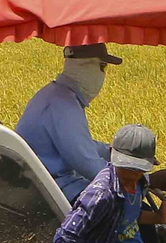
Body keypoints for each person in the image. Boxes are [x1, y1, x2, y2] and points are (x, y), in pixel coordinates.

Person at [16, 43, 122, 201]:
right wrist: (142, 179)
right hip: (52, 193)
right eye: (102, 66)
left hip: (45, 184)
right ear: (85, 66)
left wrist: (112, 152)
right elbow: (90, 166)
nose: (103, 75)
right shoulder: (64, 105)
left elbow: (78, 145)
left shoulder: (54, 94)